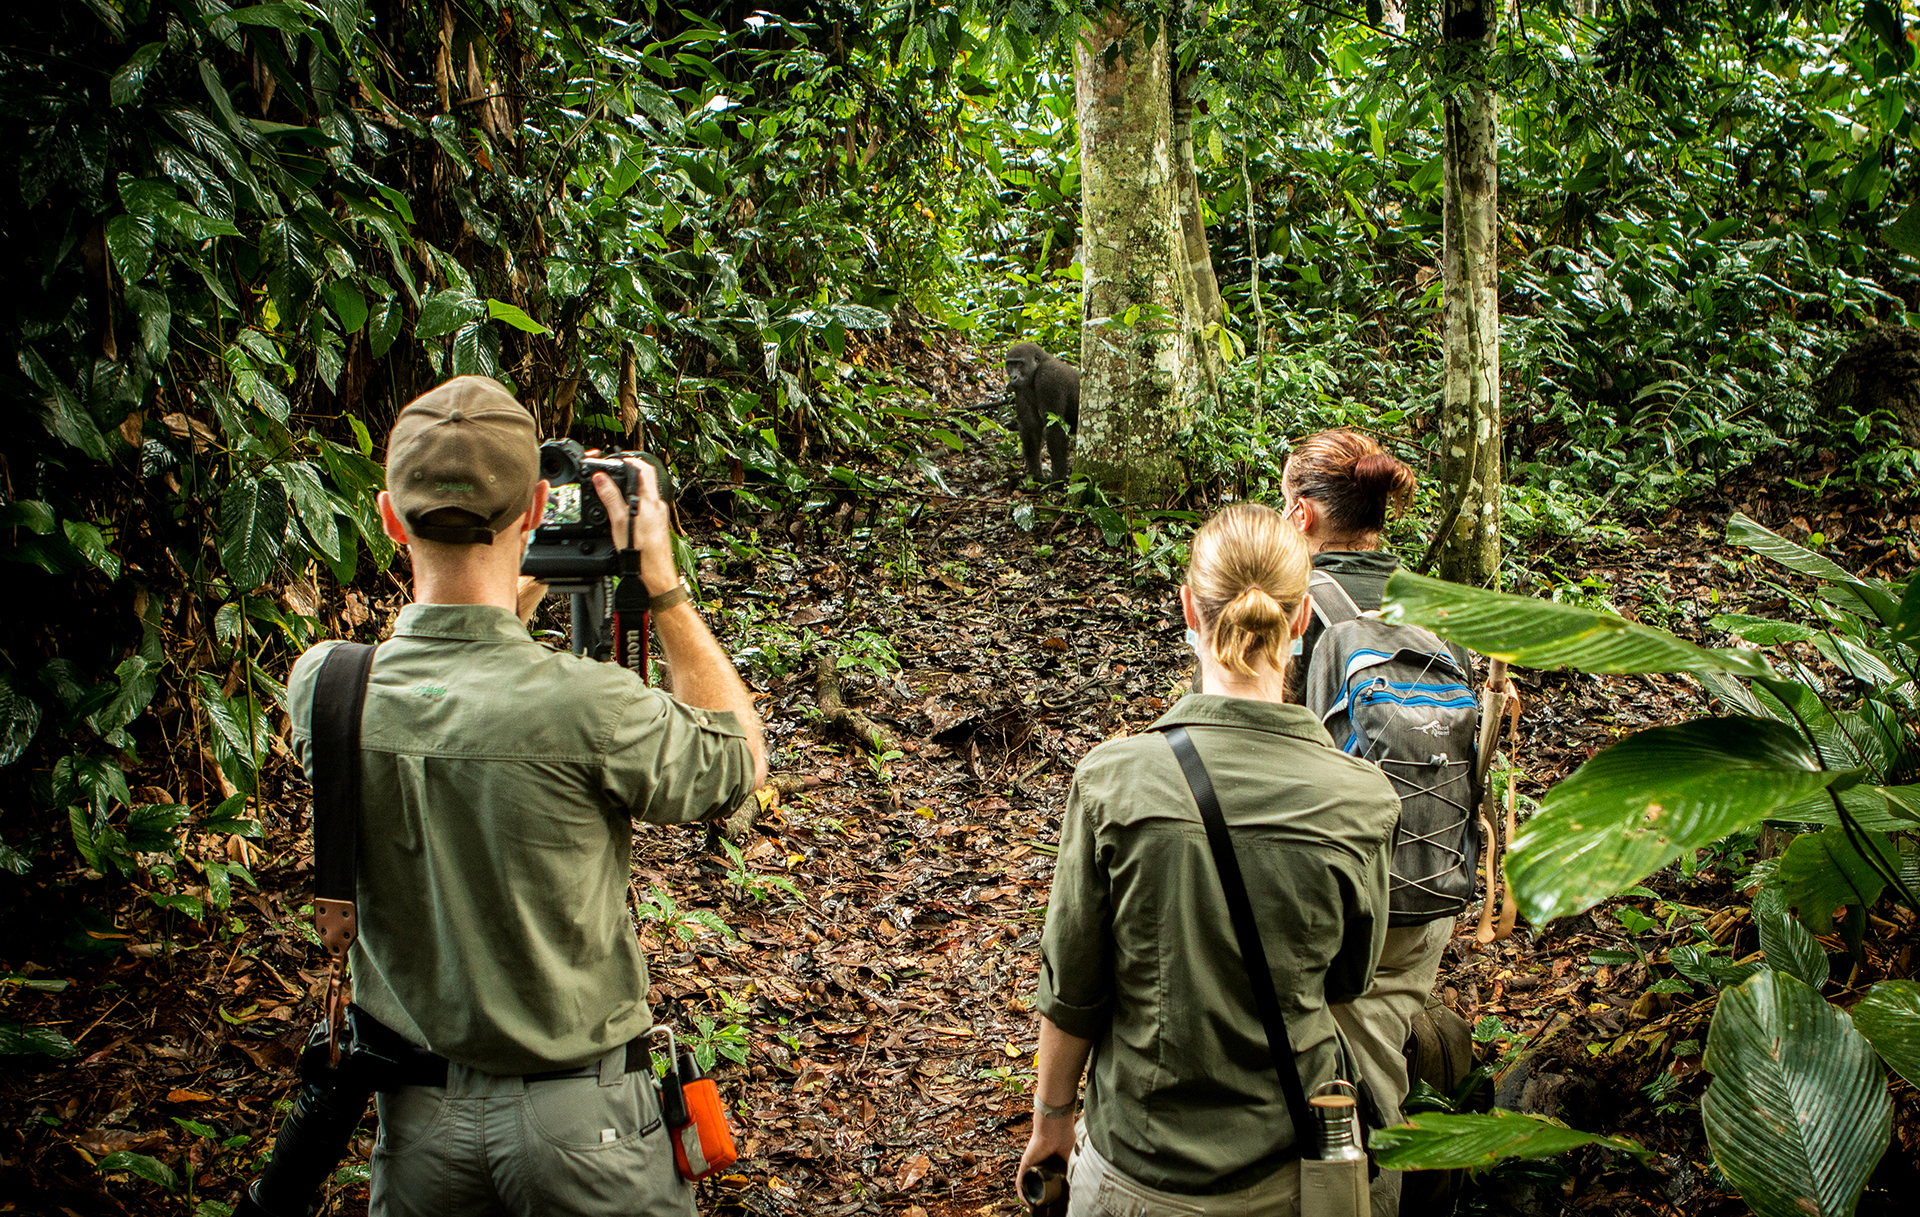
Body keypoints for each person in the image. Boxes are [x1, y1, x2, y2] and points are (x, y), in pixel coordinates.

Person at [268, 376, 765, 1217]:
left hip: (417, 1127)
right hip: (585, 1133)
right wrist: (664, 588)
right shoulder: (587, 708)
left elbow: (436, 673)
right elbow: (738, 759)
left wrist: (509, 581)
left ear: (391, 517)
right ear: (535, 507)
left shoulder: (326, 687)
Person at [1018, 503, 1401, 1216]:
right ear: (1301, 620)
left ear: (1189, 607)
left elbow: (1073, 987)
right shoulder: (1362, 798)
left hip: (1138, 1169)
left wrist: (1052, 1120)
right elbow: (1349, 977)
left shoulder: (1113, 781)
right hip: (1292, 1169)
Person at [1281, 429, 1457, 1214]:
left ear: (1305, 515)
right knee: (1377, 1058)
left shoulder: (1292, 612)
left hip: (1331, 894)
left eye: (1288, 496)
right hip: (1427, 878)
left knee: (1321, 1083)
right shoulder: (1439, 608)